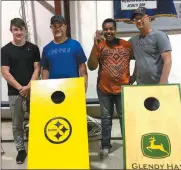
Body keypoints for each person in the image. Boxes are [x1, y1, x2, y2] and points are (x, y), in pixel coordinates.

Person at [41, 14, 101, 139]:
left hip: (72, 91)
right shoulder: (47, 49)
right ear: (51, 28)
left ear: (65, 27)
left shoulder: (75, 45)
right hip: (54, 92)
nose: (57, 29)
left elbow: (82, 69)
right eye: (54, 26)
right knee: (58, 121)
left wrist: (83, 88)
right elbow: (45, 69)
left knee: (75, 121)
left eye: (60, 26)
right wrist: (44, 89)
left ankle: (77, 147)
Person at [87, 18, 134, 159]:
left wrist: (135, 76)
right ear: (103, 31)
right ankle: (105, 145)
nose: (108, 32)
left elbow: (139, 59)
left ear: (115, 30)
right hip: (104, 89)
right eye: (105, 29)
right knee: (106, 118)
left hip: (123, 89)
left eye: (111, 29)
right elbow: (91, 66)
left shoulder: (127, 45)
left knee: (124, 118)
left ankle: (129, 145)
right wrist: (94, 45)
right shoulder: (99, 46)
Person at [1, 18, 40, 164]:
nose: (18, 32)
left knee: (36, 121)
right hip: (14, 93)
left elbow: (37, 69)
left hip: (33, 91)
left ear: (25, 30)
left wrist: (29, 86)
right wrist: (20, 88)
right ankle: (21, 150)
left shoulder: (33, 48)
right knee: (17, 124)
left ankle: (36, 146)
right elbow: (5, 72)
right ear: (11, 31)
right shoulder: (5, 50)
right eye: (15, 29)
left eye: (21, 29)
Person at [129, 7, 172, 110]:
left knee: (160, 120)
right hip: (142, 88)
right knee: (145, 120)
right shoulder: (133, 41)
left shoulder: (159, 36)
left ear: (148, 18)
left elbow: (168, 60)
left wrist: (161, 85)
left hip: (158, 87)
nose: (138, 21)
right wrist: (132, 78)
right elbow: (138, 61)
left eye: (141, 17)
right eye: (136, 19)